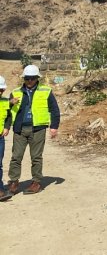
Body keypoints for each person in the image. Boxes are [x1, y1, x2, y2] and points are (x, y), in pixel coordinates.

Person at [8, 65, 60, 195]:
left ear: (37, 78)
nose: (30, 81)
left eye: (32, 78)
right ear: (23, 78)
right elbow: (5, 111)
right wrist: (9, 105)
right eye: (27, 78)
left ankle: (36, 182)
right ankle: (13, 181)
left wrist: (54, 126)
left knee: (36, 157)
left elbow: (54, 110)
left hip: (38, 129)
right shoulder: (15, 92)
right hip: (20, 129)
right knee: (16, 157)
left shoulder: (46, 91)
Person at [0, 76, 12, 201]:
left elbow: (8, 116)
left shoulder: (4, 101)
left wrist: (7, 127)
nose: (0, 92)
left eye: (1, 90)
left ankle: (0, 190)